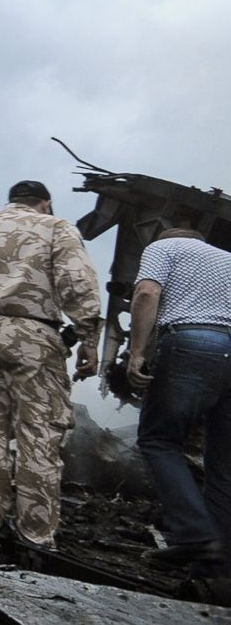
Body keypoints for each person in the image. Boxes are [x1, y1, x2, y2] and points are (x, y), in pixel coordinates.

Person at [0, 180, 102, 549]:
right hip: (34, 337)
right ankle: (35, 534)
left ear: (10, 202)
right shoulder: (56, 227)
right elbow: (77, 282)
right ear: (46, 203)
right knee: (38, 433)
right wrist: (88, 337)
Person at [128, 228, 231, 567]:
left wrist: (137, 353)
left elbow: (146, 292)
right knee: (223, 463)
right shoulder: (228, 260)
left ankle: (194, 535)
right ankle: (216, 563)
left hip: (191, 343)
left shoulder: (164, 246)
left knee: (159, 440)